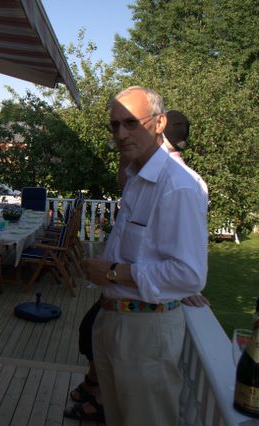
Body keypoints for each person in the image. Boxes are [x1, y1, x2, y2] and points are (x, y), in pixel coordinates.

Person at [65, 109, 210, 422]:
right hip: (117, 321)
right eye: (115, 126)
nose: (120, 135)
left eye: (132, 124)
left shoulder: (180, 184)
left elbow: (188, 273)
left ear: (159, 127)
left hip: (145, 330)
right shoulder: (138, 179)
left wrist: (112, 272)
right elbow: (157, 251)